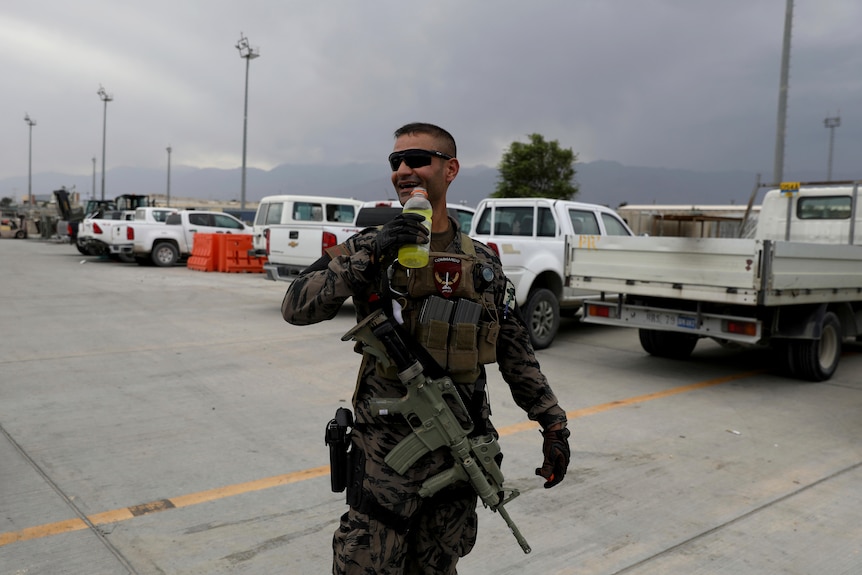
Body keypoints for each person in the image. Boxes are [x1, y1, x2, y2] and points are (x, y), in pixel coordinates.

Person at [282, 122, 570, 575]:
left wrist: (553, 425)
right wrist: (373, 252)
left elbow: (515, 351)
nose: (403, 170)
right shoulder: (368, 245)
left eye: (416, 159)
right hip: (384, 460)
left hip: (458, 453)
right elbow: (296, 305)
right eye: (395, 162)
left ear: (450, 169)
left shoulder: (484, 263)